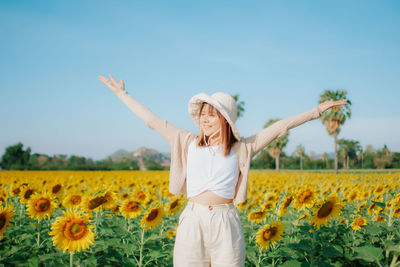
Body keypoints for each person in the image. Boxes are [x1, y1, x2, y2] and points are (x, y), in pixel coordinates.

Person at [99, 74, 348, 267]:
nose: (204, 120)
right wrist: (122, 94)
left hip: (225, 220)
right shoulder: (185, 141)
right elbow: (152, 121)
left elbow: (280, 127)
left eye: (211, 115)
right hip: (192, 219)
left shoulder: (243, 148)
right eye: (202, 115)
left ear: (225, 120)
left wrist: (317, 111)